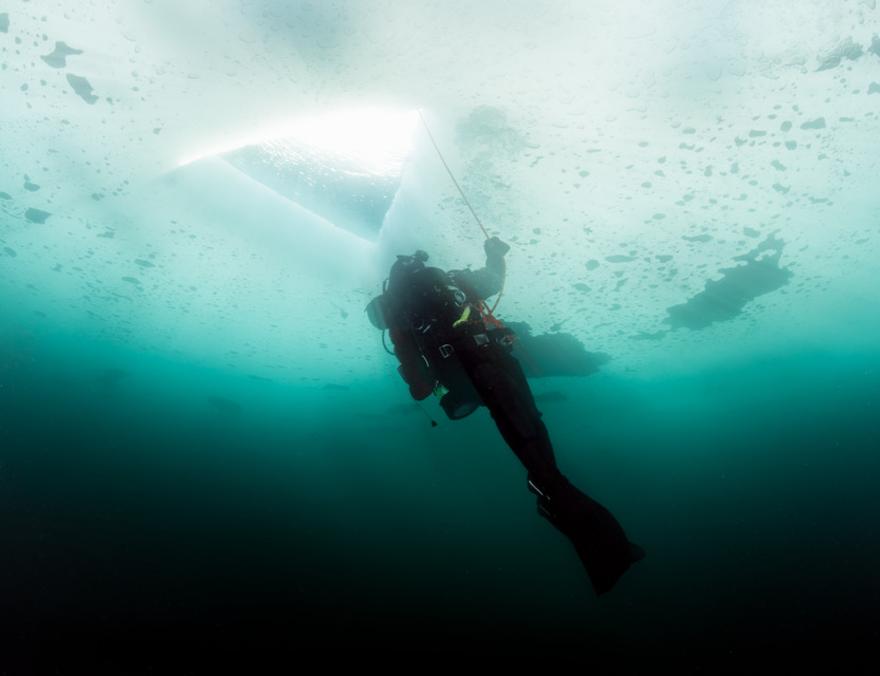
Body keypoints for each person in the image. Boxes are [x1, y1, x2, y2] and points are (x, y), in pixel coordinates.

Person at [366, 236, 644, 595]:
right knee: (534, 437)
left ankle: (597, 543)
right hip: (501, 365)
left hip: (471, 384)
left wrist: (434, 384)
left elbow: (419, 388)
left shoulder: (401, 315)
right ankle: (600, 543)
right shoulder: (451, 281)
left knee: (536, 456)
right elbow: (493, 280)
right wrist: (494, 254)